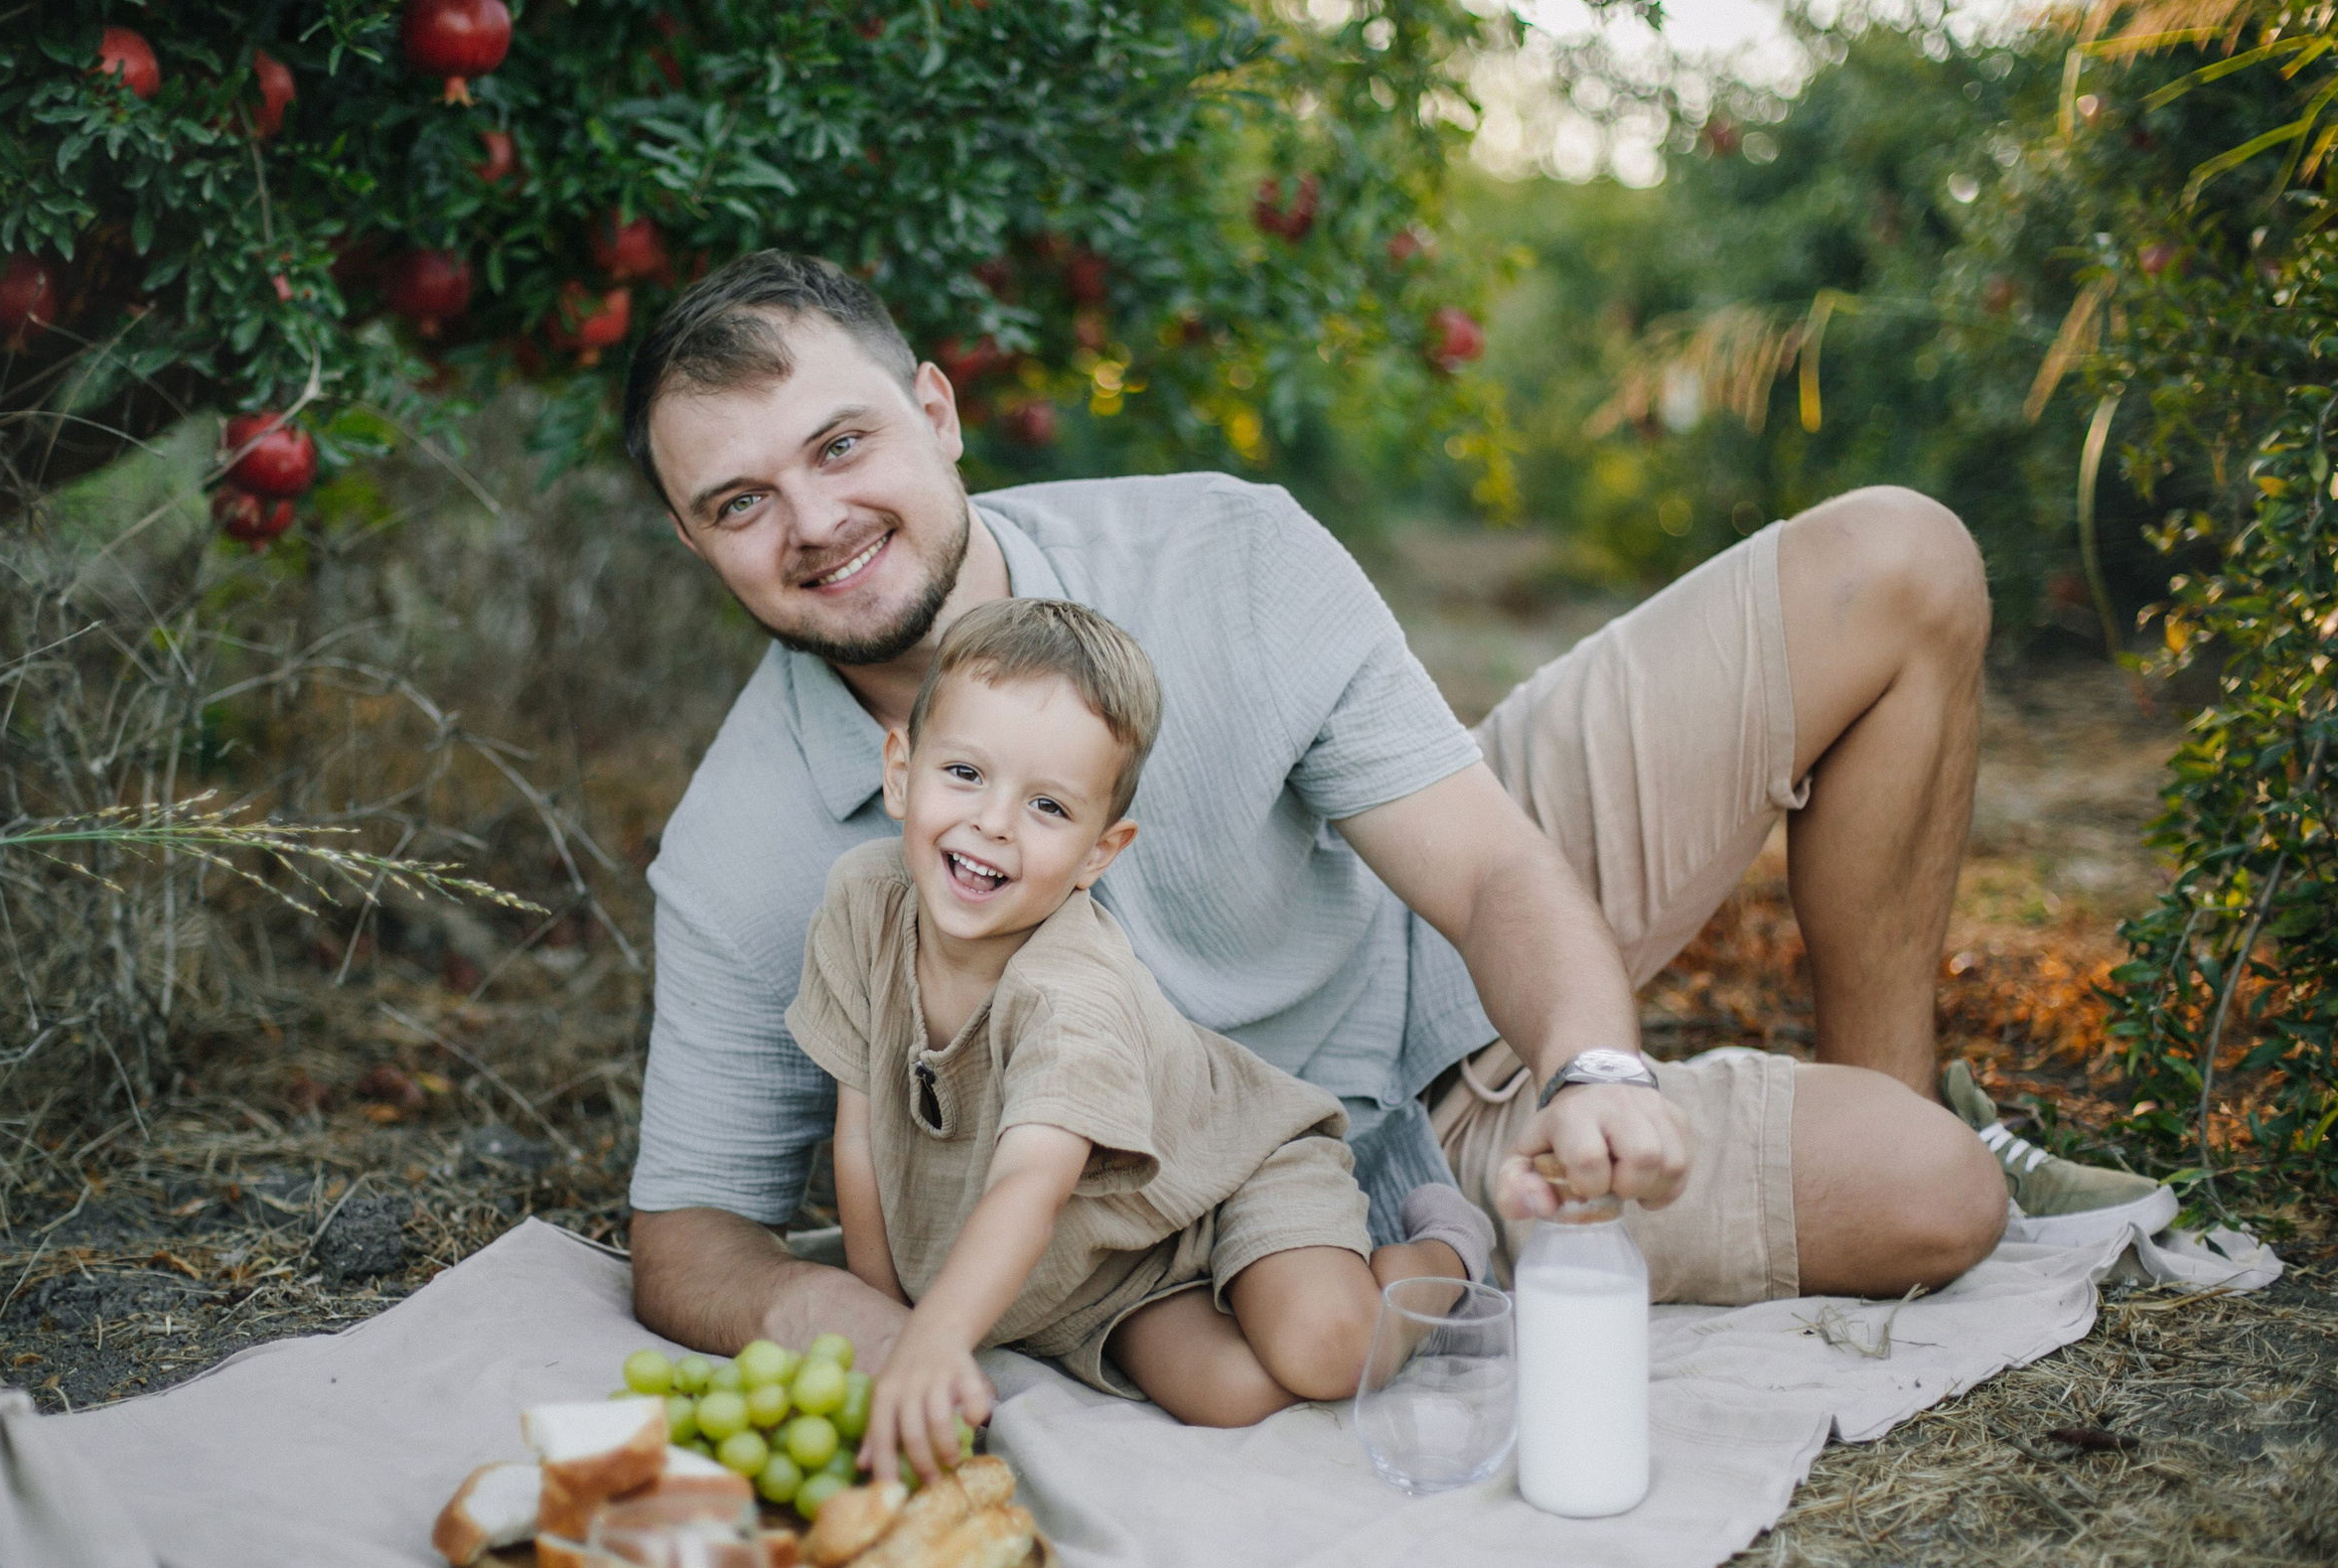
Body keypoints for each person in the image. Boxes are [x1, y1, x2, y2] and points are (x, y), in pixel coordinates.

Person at [619, 249, 2175, 1369]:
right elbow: (690, 1235)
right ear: (695, 542)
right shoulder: (741, 849)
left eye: (842, 444)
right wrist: (873, 1329)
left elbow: (1490, 867)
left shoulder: (1220, 550)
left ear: (938, 412)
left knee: (1897, 558)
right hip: (1315, 1200)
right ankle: (1847, 1154)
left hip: (1431, 939)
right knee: (1933, 1199)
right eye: (740, 502)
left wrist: (1593, 1065)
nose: (814, 521)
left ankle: (1896, 1081)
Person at [790, 596, 1496, 1469]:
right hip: (1106, 1256)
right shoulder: (862, 904)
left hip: (1234, 1166)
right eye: (965, 773)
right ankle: (1216, 1295)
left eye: (1048, 806)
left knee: (1325, 1351)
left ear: (1100, 851)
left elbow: (1030, 1184)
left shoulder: (1071, 990)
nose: (993, 822)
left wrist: (937, 1340)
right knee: (1232, 1393)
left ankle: (1442, 1252)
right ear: (901, 772)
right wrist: (892, 1336)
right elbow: (860, 1138)